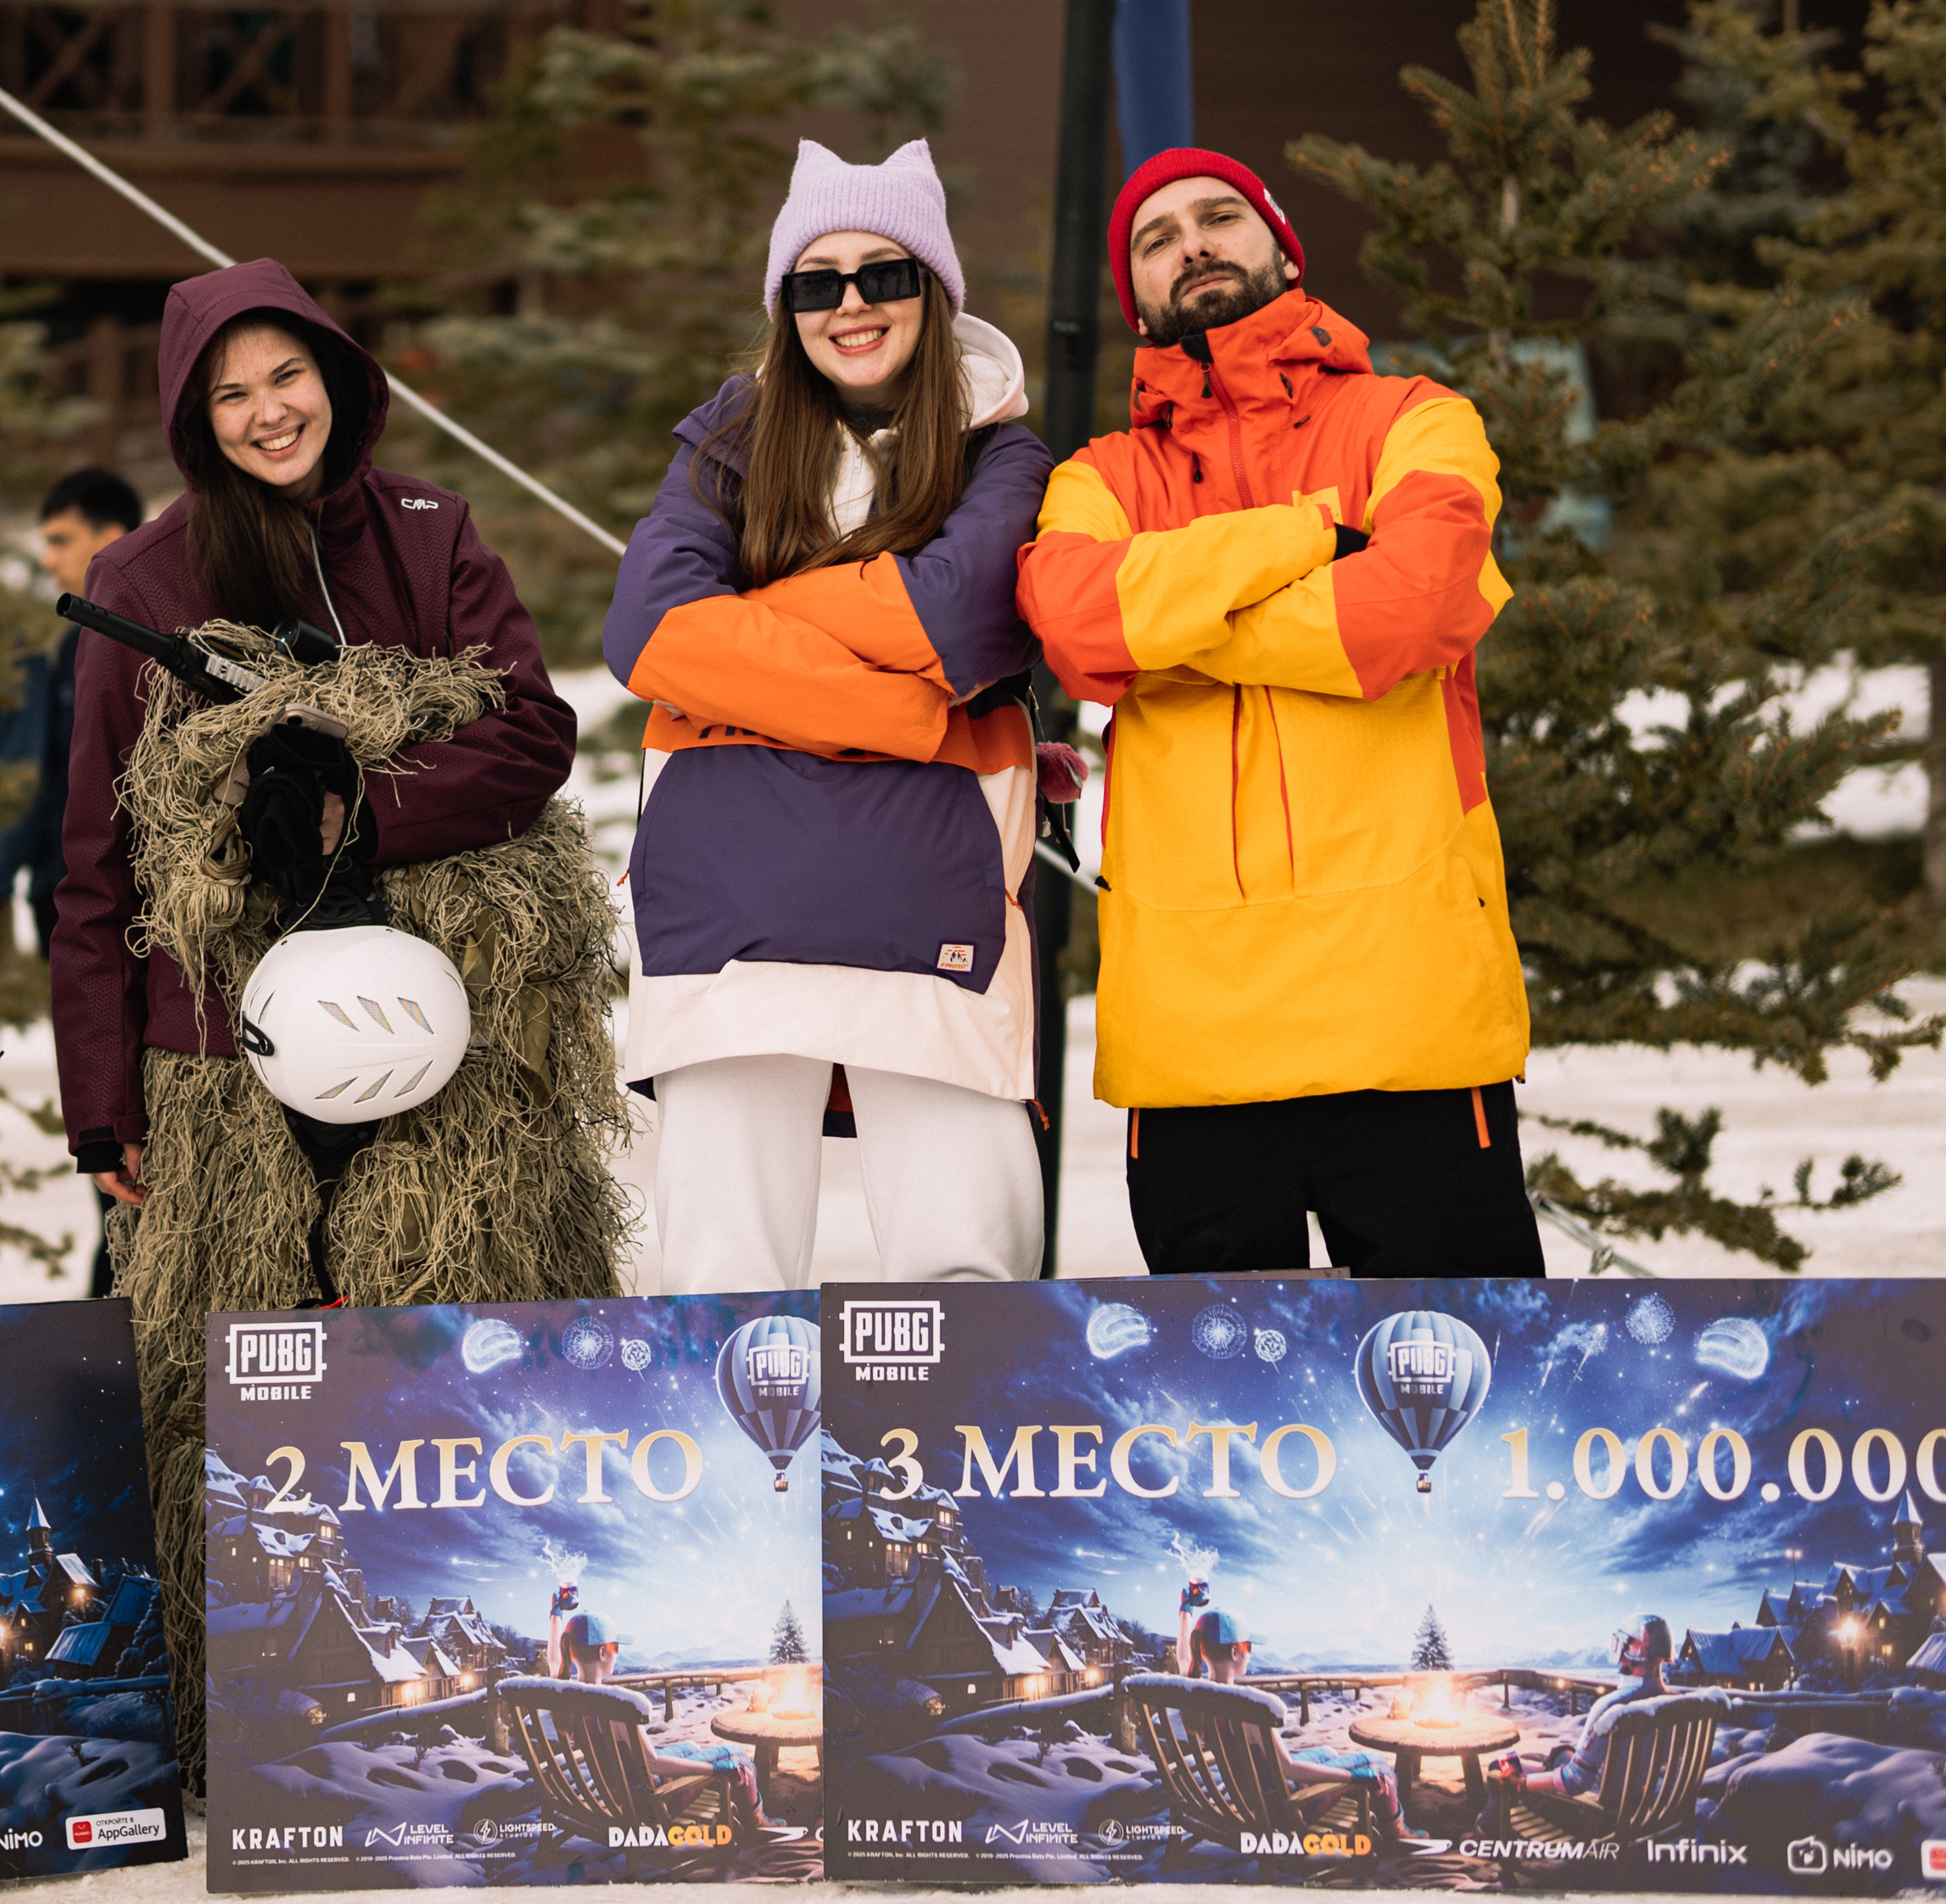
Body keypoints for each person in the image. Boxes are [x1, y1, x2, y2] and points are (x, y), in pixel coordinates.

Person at [51, 258, 599, 1778]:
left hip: (445, 1033)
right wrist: (101, 1106)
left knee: (443, 1348)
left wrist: (354, 805)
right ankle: (234, 1724)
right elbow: (96, 864)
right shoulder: (142, 582)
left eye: (285, 375)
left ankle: (471, 1671)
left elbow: (532, 731)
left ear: (338, 379)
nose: (266, 411)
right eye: (229, 393)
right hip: (221, 1054)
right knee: (231, 1377)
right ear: (193, 420)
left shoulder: (426, 531)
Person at [1016, 147, 1544, 1275]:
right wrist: (1306, 534)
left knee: (1472, 1381)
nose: (1192, 245)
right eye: (1157, 239)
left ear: (1284, 250)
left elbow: (1413, 608)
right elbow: (1074, 625)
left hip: (1413, 1019)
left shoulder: (1417, 418)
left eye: (1219, 218)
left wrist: (1176, 632)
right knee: (1227, 1398)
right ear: (1135, 299)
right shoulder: (1097, 477)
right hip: (1192, 1045)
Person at [601, 138, 1065, 1292]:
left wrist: (748, 625)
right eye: (817, 282)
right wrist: (908, 713)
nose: (849, 304)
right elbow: (649, 631)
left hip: (934, 898)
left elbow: (954, 620)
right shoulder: (730, 435)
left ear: (934, 288)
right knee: (721, 1289)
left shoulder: (1001, 450)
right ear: (785, 305)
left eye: (883, 273)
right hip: (725, 907)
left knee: (966, 1286)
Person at [0, 468, 146, 944]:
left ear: (112, 539)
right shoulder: (73, 648)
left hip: (132, 902)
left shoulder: (160, 645)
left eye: (61, 541)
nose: (47, 559)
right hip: (61, 894)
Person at [1182, 1607, 1401, 1834]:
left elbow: (1183, 1659)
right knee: (1376, 1764)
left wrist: (1185, 1609)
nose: (1250, 1653)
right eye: (1249, 1647)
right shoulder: (1248, 1708)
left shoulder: (1197, 1698)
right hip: (1285, 1808)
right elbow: (1288, 1768)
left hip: (1251, 1798)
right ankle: (1398, 1831)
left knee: (1329, 1752)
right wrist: (1353, 1778)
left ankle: (1374, 1809)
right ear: (1235, 1652)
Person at [567, 1627, 774, 1834]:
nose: (616, 1654)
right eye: (615, 1647)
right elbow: (653, 1763)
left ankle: (739, 1799)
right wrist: (715, 1770)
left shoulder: (569, 1701)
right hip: (652, 1802)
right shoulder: (616, 1706)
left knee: (692, 1746)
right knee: (737, 1756)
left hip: (619, 1793)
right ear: (603, 1653)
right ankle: (757, 1821)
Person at [1492, 1614, 1670, 1797]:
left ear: (1628, 1650)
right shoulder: (1674, 1704)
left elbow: (1576, 1780)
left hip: (1599, 1804)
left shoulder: (1611, 1707)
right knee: (1561, 1754)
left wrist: (1523, 1783)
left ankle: (1495, 1811)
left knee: (1497, 1767)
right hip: (1640, 1794)